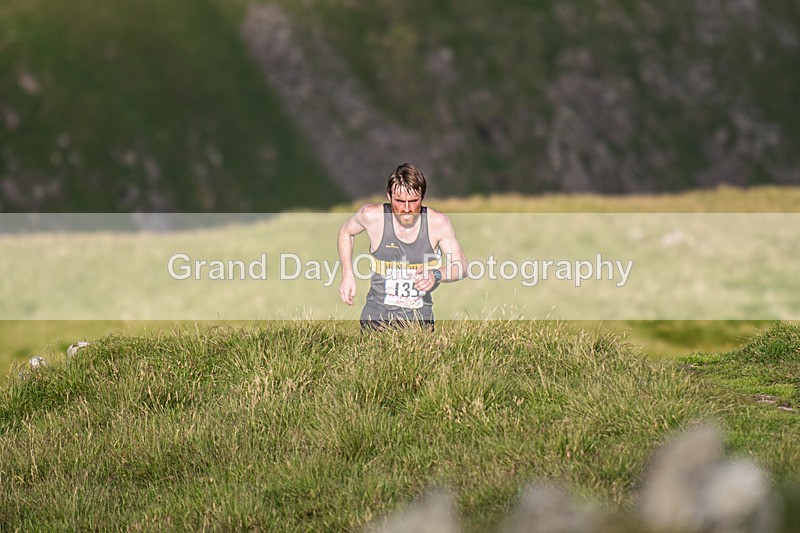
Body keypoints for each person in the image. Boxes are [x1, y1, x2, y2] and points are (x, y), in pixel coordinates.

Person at [338, 163, 467, 331]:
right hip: (376, 317)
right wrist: (347, 274)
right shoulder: (372, 216)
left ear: (423, 196)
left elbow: (461, 266)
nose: (406, 209)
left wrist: (436, 274)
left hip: (419, 320)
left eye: (413, 201)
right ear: (389, 196)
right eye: (399, 201)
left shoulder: (437, 223)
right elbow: (346, 232)